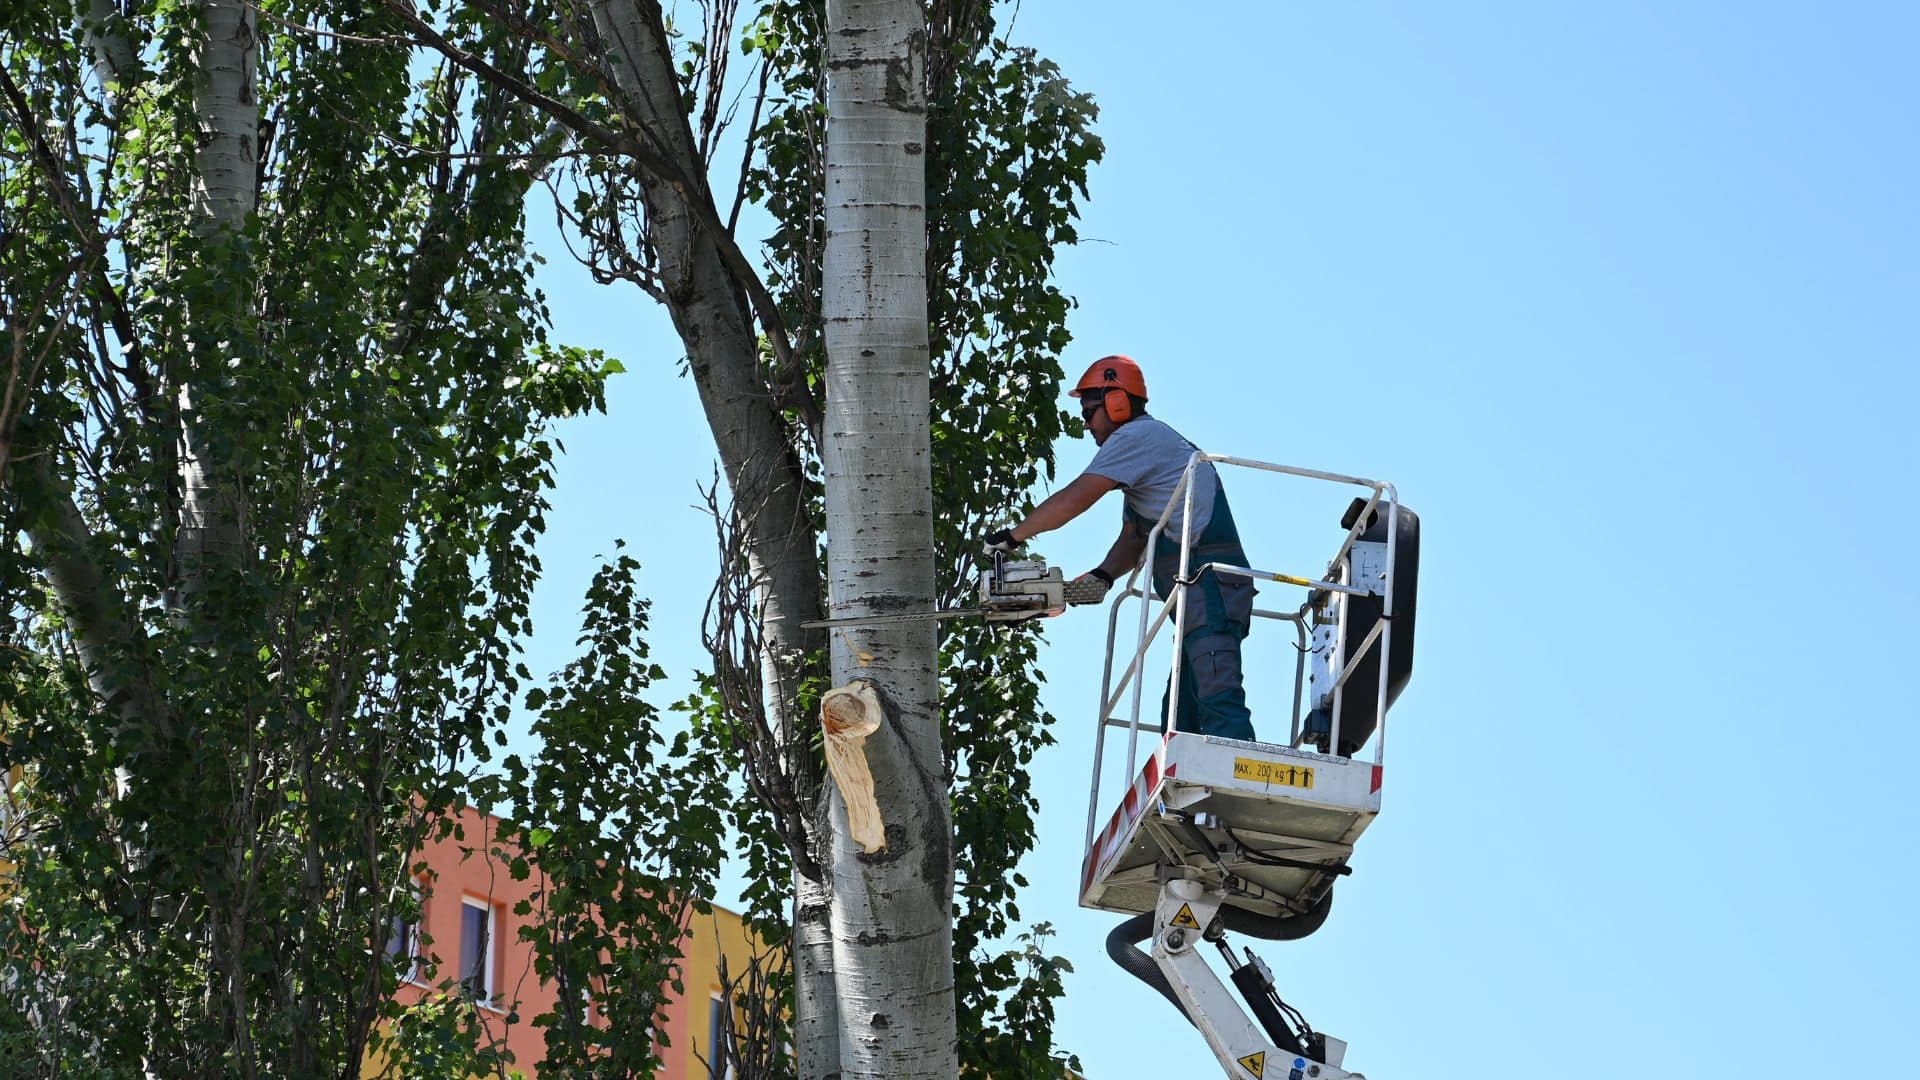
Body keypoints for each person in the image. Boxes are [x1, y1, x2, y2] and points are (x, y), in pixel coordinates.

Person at [984, 355, 1256, 741]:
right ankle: (1192, 796)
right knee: (1179, 717)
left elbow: (1076, 498)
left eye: (1089, 412)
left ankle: (1240, 773)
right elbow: (1133, 537)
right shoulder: (1145, 458)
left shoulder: (1136, 437)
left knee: (1216, 692)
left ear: (1117, 403)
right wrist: (1101, 577)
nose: (1085, 425)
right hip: (1199, 591)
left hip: (1209, 584)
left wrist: (1013, 537)